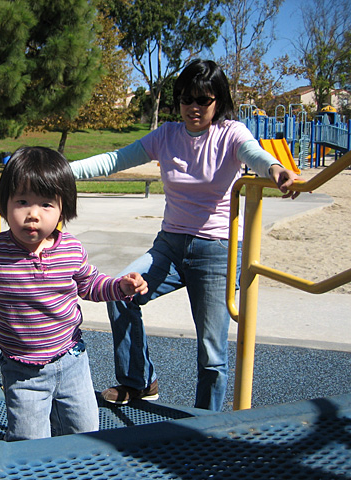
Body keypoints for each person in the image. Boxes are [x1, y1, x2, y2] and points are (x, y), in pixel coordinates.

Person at [69, 59, 302, 412]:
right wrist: (60, 171)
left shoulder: (230, 134)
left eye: (203, 100)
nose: (194, 108)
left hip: (217, 250)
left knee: (211, 353)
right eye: (186, 99)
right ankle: (139, 382)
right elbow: (115, 160)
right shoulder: (167, 136)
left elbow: (254, 155)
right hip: (170, 245)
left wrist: (275, 169)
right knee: (120, 290)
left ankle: (203, 425)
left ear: (218, 101)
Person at [0, 146, 148, 441]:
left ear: (62, 208)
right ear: (5, 204)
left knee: (85, 433)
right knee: (29, 442)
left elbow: (90, 284)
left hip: (71, 361)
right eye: (23, 201)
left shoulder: (70, 248)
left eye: (46, 204)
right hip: (22, 371)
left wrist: (119, 287)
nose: (33, 214)